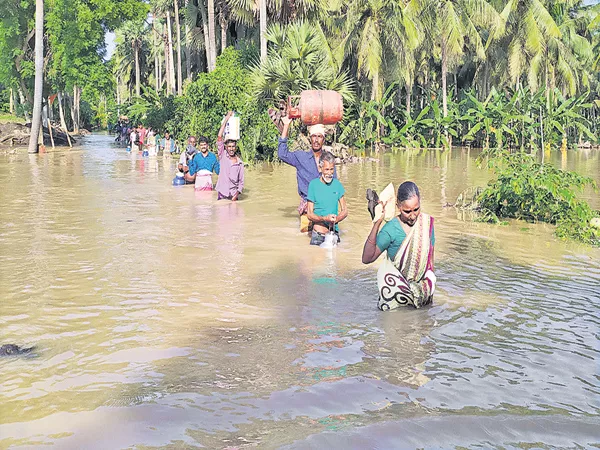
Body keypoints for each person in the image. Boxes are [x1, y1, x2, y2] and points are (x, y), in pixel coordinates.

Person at [361, 181, 436, 310]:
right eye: (407, 211)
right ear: (398, 206)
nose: (413, 216)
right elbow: (367, 258)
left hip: (423, 296)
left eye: (416, 209)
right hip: (395, 300)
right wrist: (377, 223)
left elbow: (430, 263)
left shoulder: (426, 224)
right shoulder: (391, 229)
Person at [278, 116, 337, 232]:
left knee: (327, 237)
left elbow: (335, 185)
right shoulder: (301, 157)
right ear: (310, 138)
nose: (316, 140)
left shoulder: (328, 159)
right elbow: (282, 154)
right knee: (305, 238)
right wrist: (286, 125)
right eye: (314, 136)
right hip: (306, 207)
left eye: (319, 137)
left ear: (323, 140)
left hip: (324, 208)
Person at [306, 151, 348, 245]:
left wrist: (335, 220)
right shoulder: (313, 185)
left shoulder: (337, 184)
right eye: (327, 169)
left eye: (332, 169)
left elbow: (345, 211)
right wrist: (325, 219)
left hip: (334, 234)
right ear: (320, 168)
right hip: (318, 235)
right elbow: (309, 214)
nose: (329, 173)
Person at [215, 111, 245, 201]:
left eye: (233, 147)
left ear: (236, 148)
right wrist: (227, 118)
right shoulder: (222, 155)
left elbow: (241, 182)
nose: (231, 149)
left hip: (233, 195)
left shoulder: (240, 163)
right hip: (222, 194)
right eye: (229, 147)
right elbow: (219, 137)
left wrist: (236, 194)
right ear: (226, 147)